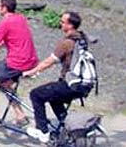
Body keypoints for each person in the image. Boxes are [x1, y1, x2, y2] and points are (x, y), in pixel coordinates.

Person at [23, 12, 92, 143]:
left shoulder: (67, 43)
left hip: (71, 84)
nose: (60, 24)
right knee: (54, 98)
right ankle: (70, 128)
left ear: (70, 25)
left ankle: (42, 131)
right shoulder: (82, 39)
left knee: (36, 94)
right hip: (83, 85)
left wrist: (31, 71)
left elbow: (49, 61)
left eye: (63, 22)